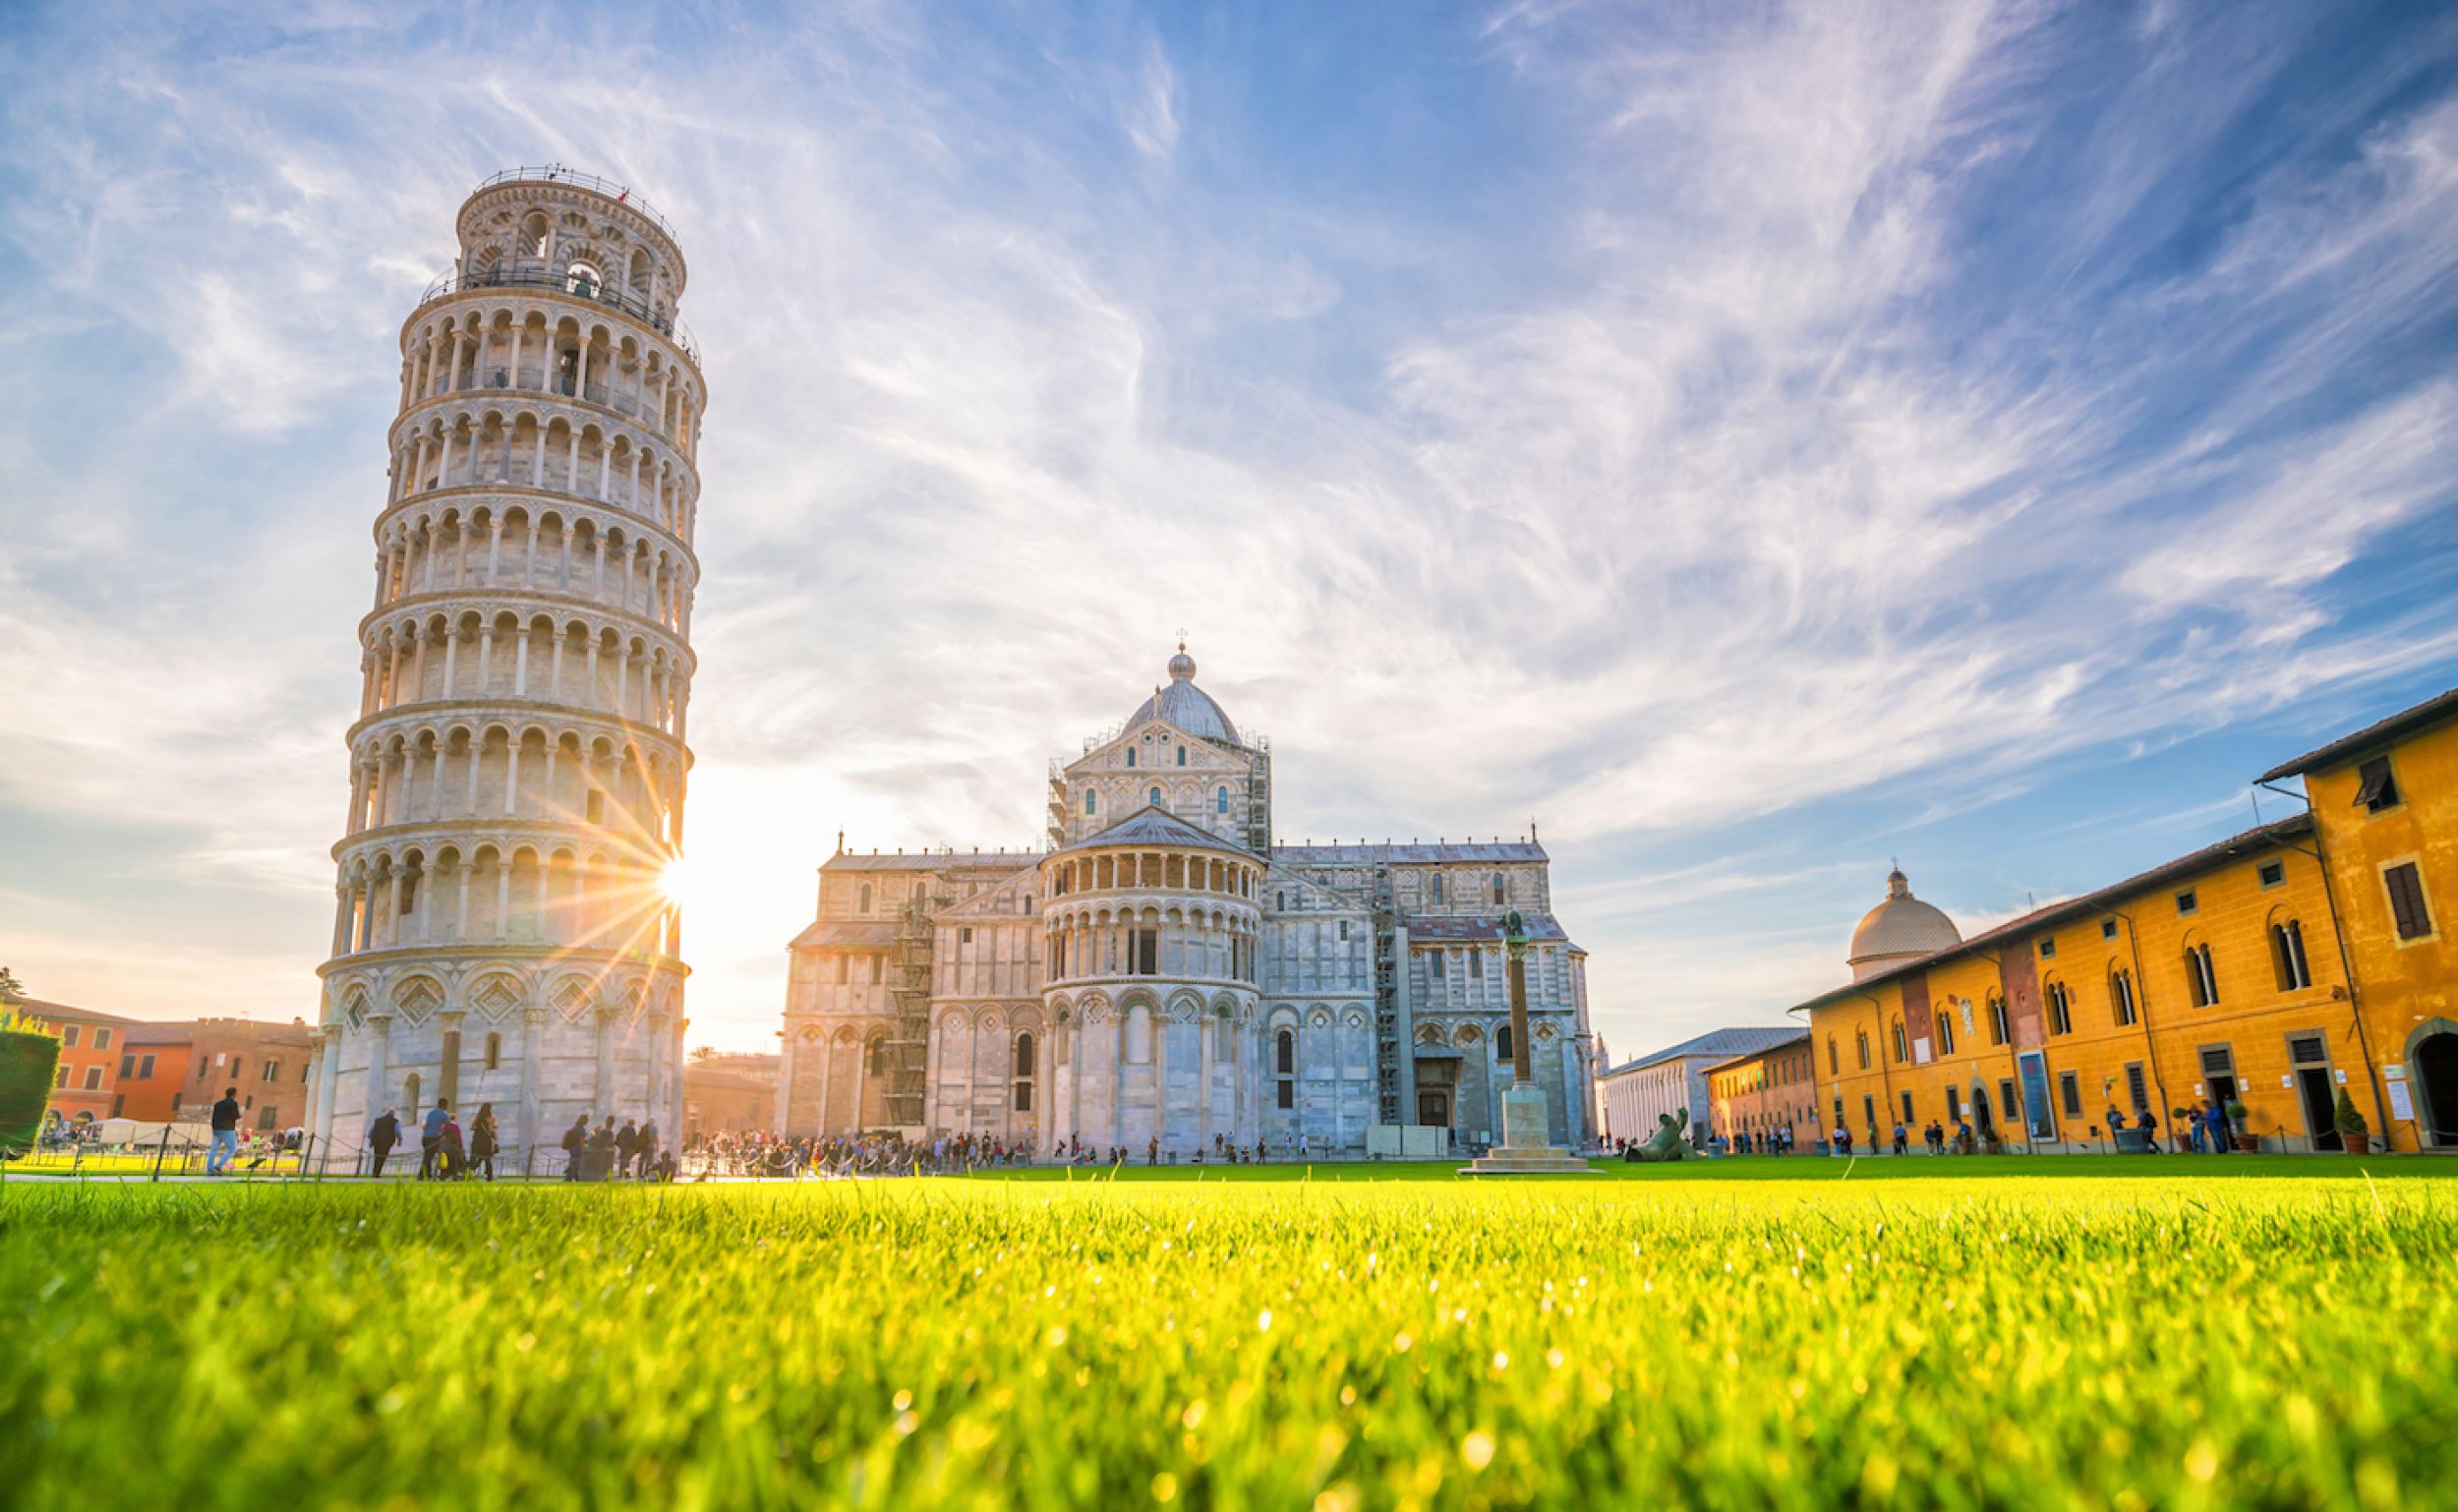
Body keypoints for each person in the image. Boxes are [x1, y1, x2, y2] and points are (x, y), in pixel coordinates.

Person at [207, 1085, 242, 1176]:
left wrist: (214, 1127)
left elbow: (214, 1117)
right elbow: (236, 1116)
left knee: (213, 1149)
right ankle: (217, 1166)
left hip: (216, 1129)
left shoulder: (218, 1104)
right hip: (227, 1129)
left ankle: (209, 1171)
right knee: (232, 1149)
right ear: (234, 1094)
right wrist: (239, 1114)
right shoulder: (233, 1103)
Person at [419, 1099, 450, 1180]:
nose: (447, 1106)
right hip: (433, 1138)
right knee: (429, 1157)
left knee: (428, 1156)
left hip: (425, 1137)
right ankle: (422, 1174)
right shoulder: (444, 1114)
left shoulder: (431, 1112)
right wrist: (443, 1135)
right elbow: (448, 1126)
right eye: (447, 1105)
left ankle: (427, 1174)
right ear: (444, 1105)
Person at [369, 1107, 401, 1177]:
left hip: (377, 1142)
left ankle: (374, 1173)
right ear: (394, 1114)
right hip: (387, 1142)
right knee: (382, 1157)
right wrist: (399, 1140)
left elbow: (372, 1131)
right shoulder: (395, 1121)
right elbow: (397, 1132)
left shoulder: (378, 1120)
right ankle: (377, 1173)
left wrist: (371, 1141)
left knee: (377, 1157)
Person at [469, 1104, 498, 1181]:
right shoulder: (492, 1117)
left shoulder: (478, 1118)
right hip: (486, 1141)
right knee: (487, 1159)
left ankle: (470, 1173)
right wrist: (495, 1137)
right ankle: (489, 1176)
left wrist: (478, 1127)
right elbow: (491, 1130)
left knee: (476, 1157)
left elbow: (471, 1127)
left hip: (477, 1141)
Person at [561, 1114, 589, 1180]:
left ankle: (575, 1178)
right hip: (578, 1150)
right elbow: (581, 1141)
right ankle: (568, 1178)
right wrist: (585, 1149)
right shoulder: (581, 1129)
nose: (587, 1122)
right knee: (575, 1165)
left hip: (572, 1149)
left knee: (575, 1164)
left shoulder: (575, 1127)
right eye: (586, 1120)